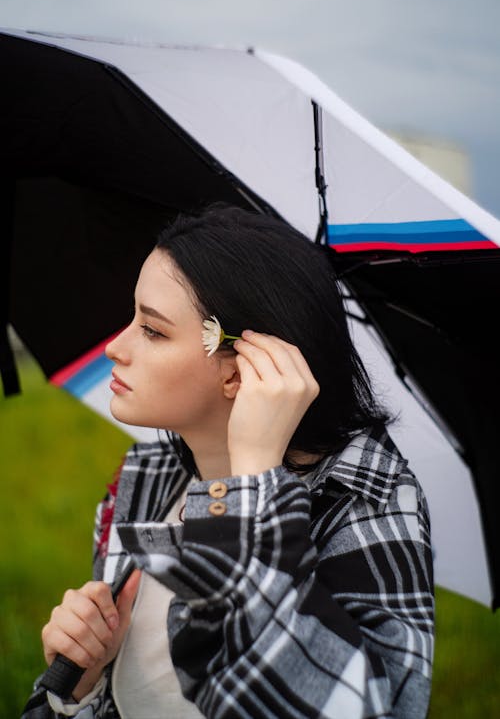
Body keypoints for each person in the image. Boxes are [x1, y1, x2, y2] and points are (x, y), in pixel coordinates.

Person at [22, 203, 434, 718]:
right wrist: (78, 691)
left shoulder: (366, 500)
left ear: (240, 372)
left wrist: (254, 478)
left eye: (152, 330)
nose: (115, 347)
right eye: (134, 317)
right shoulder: (144, 476)